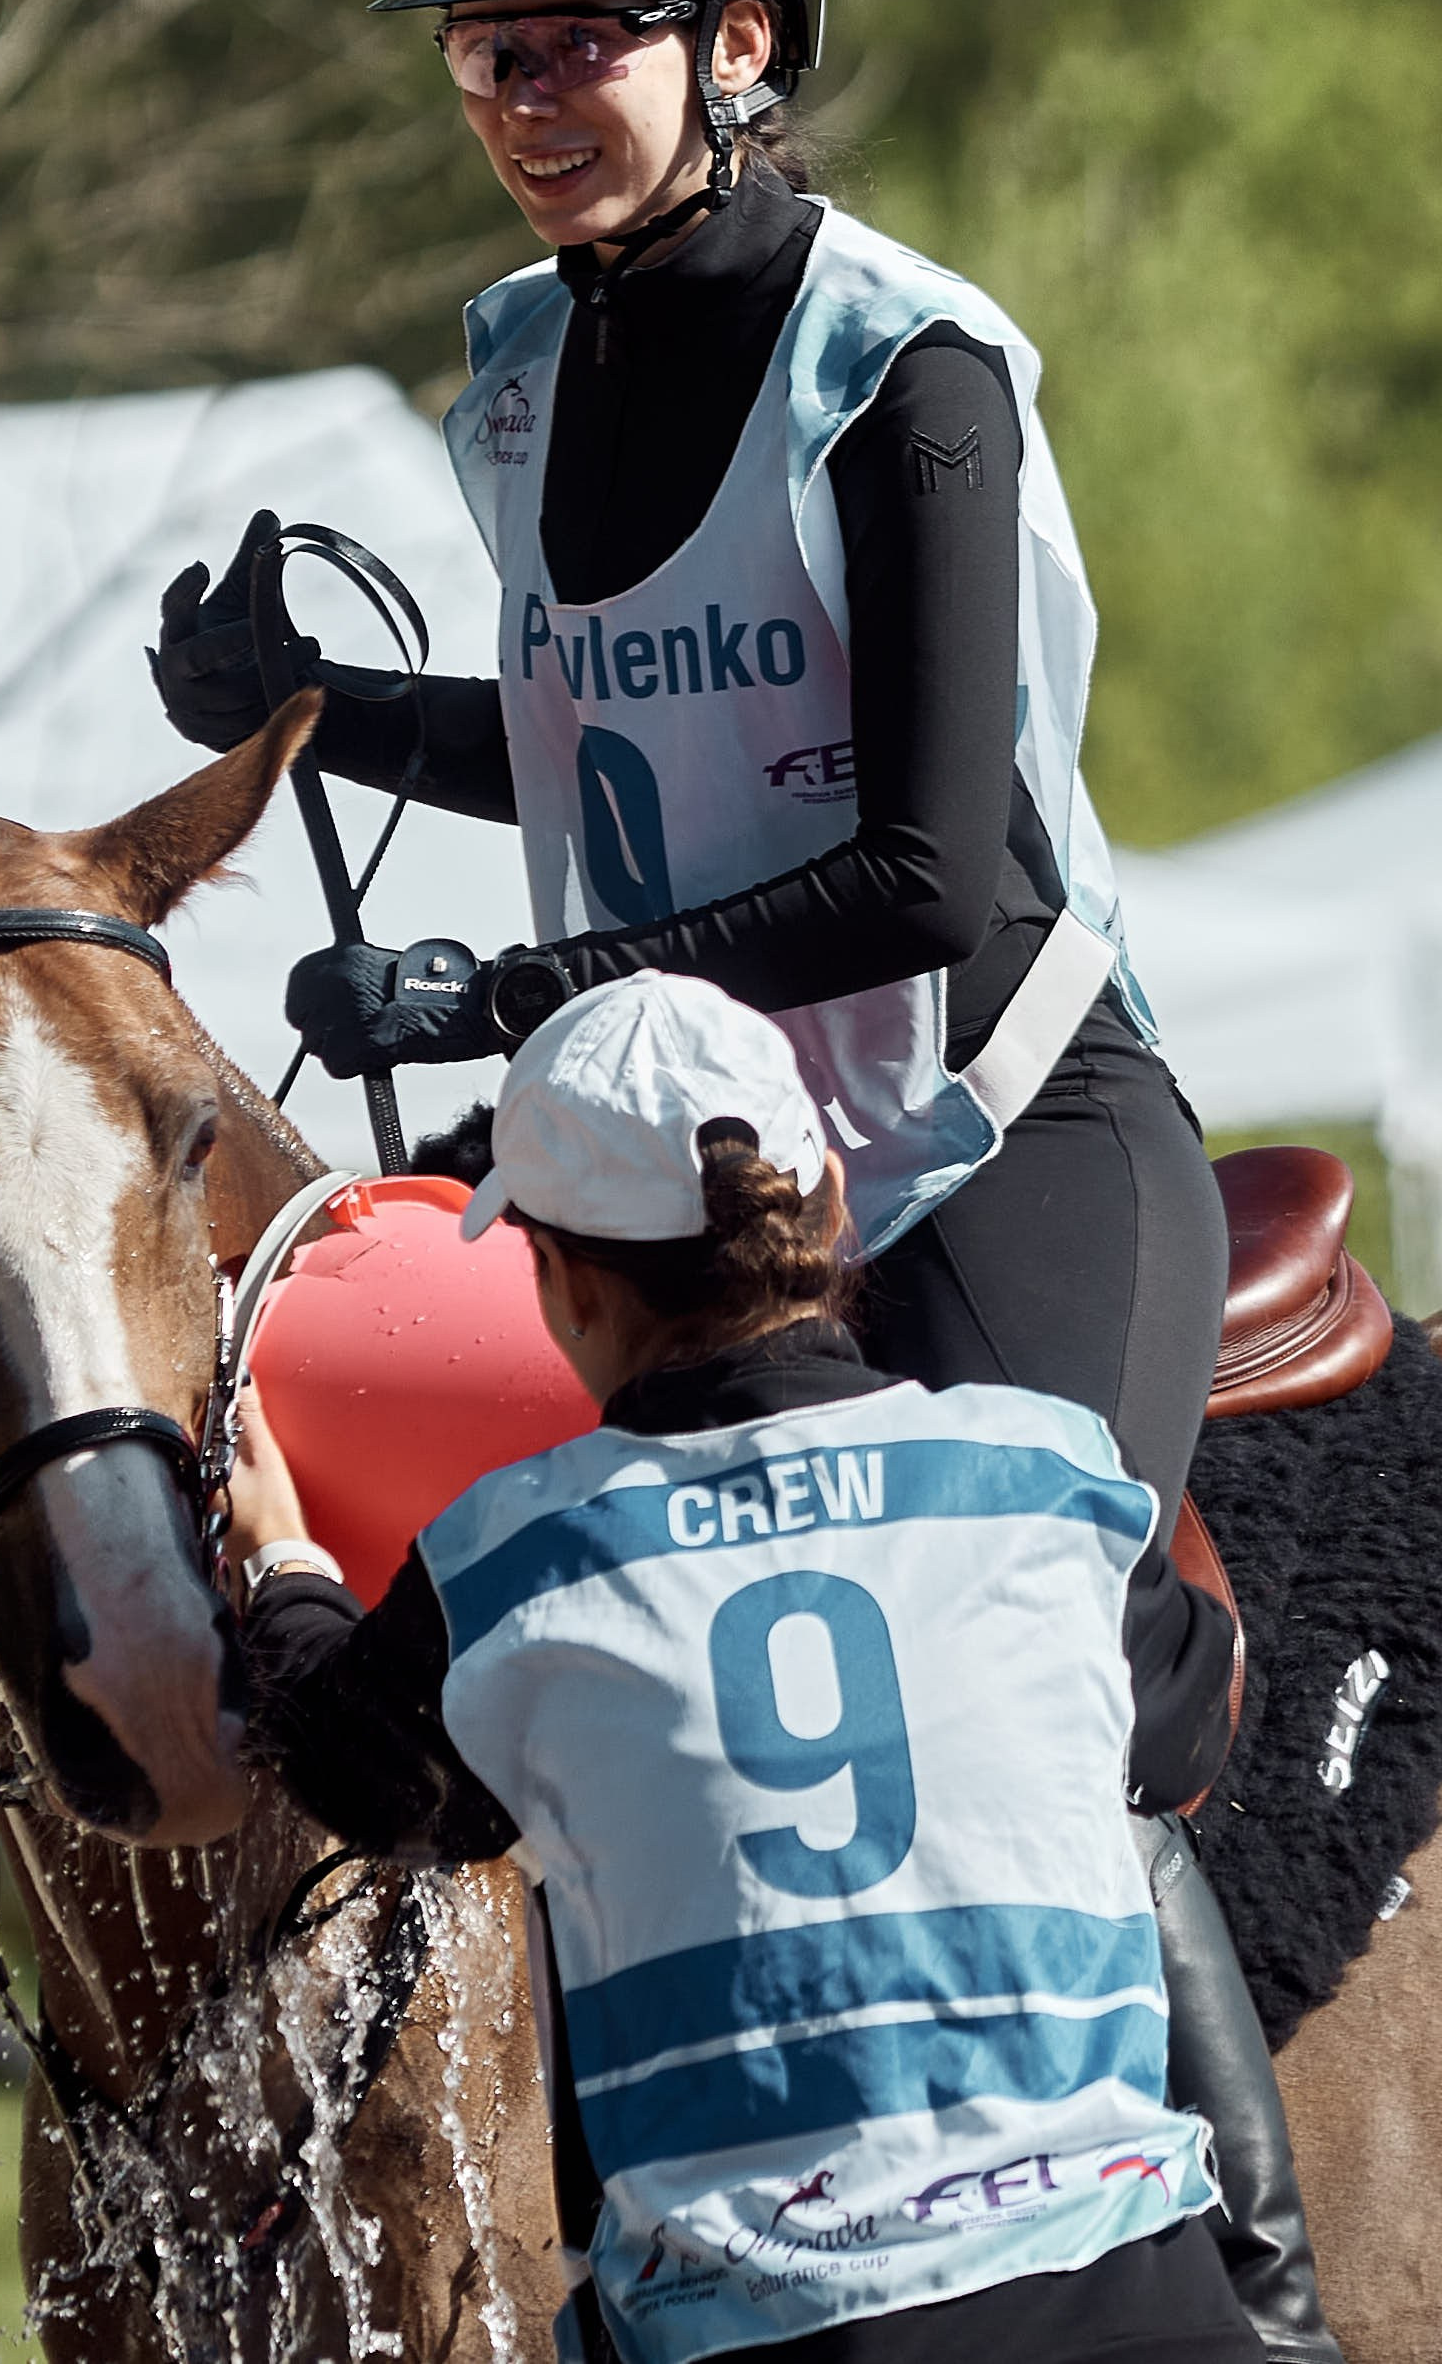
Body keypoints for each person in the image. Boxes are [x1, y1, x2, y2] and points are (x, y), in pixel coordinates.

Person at [152, 0, 1339, 2360]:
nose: (519, 97)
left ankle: (1249, 2288)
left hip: (989, 1131)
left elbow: (929, 872)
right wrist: (327, 712)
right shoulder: (510, 371)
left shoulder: (905, 370)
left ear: (744, 38)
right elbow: (607, 725)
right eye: (480, 53)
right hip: (696, 1169)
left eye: (575, 38)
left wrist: (510, 997)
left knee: (1040, 1660)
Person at [224, 970, 1262, 2364]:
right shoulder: (1047, 1471)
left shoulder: (512, 1561)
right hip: (1143, 2306)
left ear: (567, 1281)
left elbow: (354, 1766)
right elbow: (1188, 1735)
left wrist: (283, 1564)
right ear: (830, 1199)